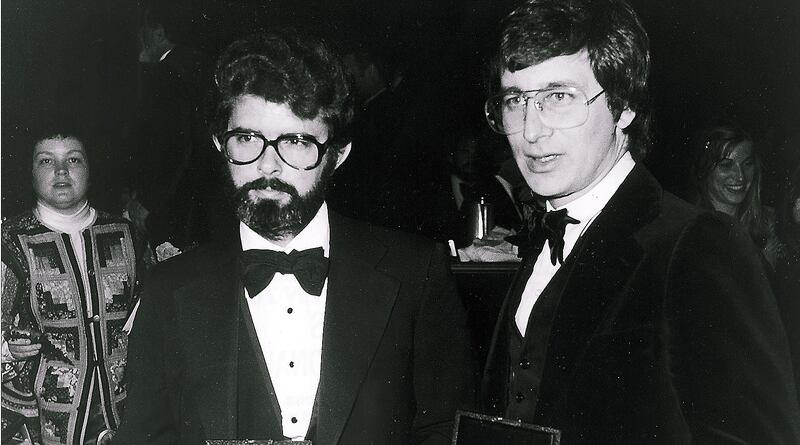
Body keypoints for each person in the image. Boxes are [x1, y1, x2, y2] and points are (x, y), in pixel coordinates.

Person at [113, 30, 473, 444]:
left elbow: (446, 431)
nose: (268, 166)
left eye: (297, 142)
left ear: (338, 155)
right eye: (247, 139)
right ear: (219, 144)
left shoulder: (415, 273)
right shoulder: (168, 289)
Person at [479, 0, 800, 442]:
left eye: (558, 97)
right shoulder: (542, 239)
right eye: (515, 100)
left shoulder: (700, 245)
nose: (531, 131)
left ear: (623, 106)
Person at [1, 127, 152, 444]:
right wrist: (8, 349)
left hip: (127, 412)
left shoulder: (128, 234)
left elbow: (151, 317)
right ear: (30, 171)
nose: (60, 171)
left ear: (90, 168)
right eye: (46, 161)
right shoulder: (9, 243)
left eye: (73, 159)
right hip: (42, 418)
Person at [123, 3, 221, 251]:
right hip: (204, 206)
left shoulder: (167, 74)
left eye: (142, 30)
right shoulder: (197, 63)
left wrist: (148, 202)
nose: (138, 38)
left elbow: (174, 147)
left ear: (157, 33)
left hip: (175, 207)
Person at [691, 120, 783, 270]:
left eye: (747, 164)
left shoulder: (769, 225)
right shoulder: (692, 233)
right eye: (726, 165)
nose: (740, 177)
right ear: (705, 170)